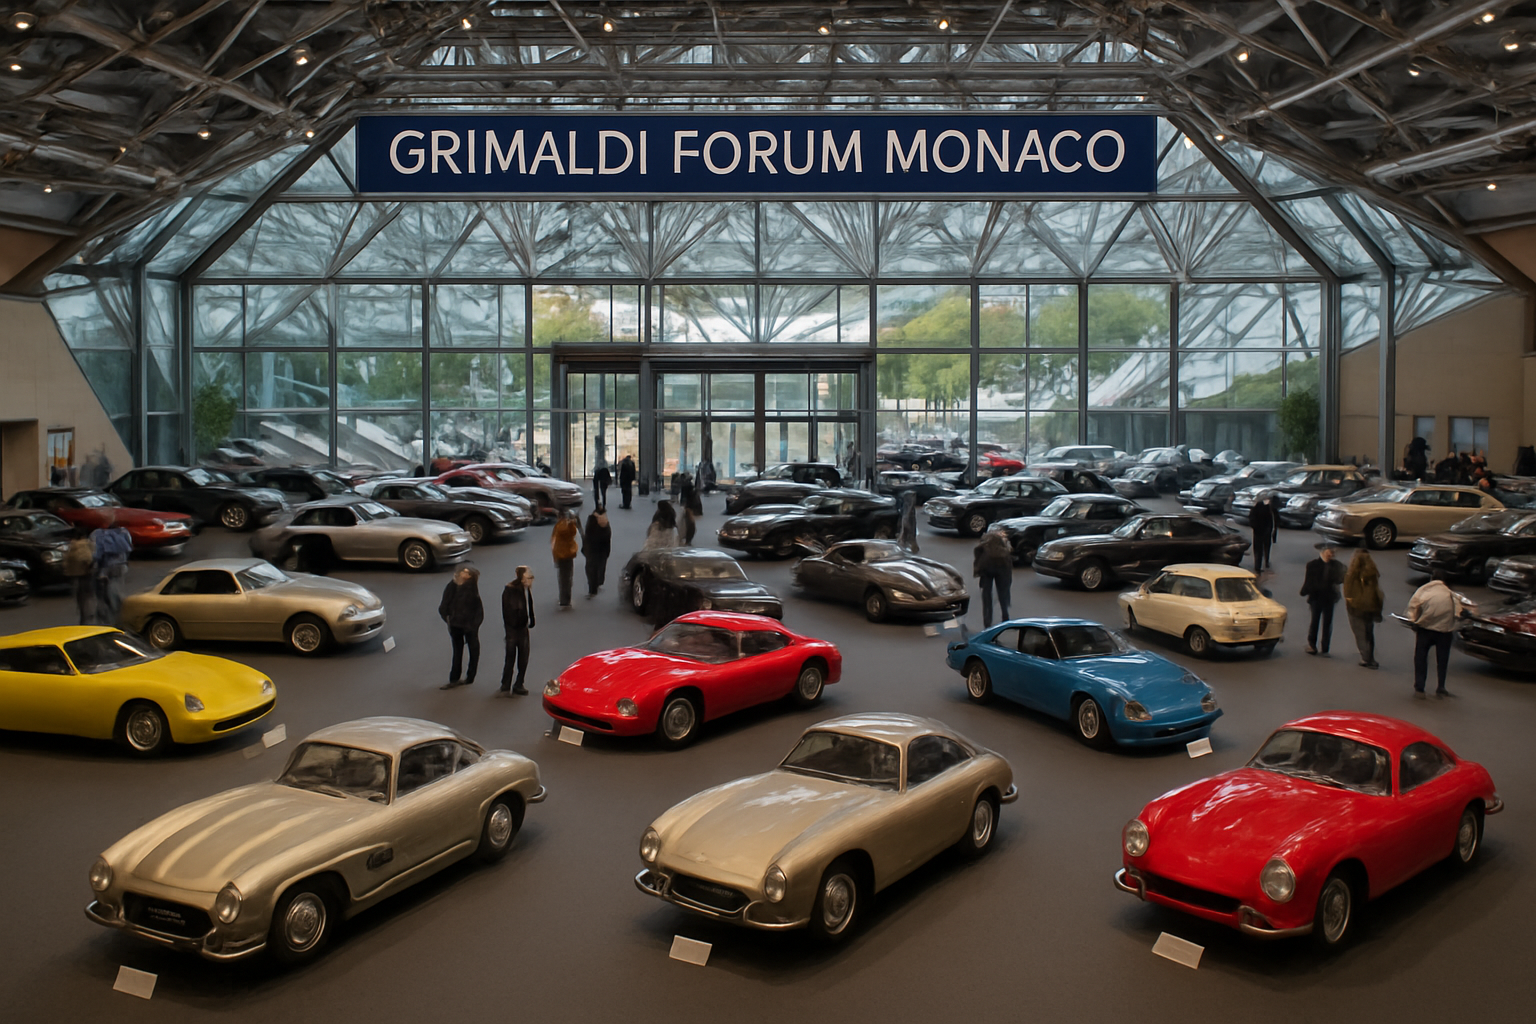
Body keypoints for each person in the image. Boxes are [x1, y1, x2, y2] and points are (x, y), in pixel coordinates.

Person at [1405, 572, 1473, 698]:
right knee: (1442, 660)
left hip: (1425, 630)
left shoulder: (1423, 591)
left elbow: (1413, 606)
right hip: (1444, 632)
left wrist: (1413, 621)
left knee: (1421, 658)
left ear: (1432, 579)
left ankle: (1420, 687)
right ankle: (1441, 686)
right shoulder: (1450, 594)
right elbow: (1459, 612)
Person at [438, 566, 484, 689]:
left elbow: (478, 610)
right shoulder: (452, 586)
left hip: (469, 627)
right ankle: (454, 678)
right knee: (457, 652)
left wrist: (474, 626)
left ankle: (470, 676)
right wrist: (449, 619)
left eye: (466, 572)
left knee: (473, 651)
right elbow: (444, 605)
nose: (462, 573)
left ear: (470, 577)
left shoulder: (472, 590)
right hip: (456, 625)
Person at [1299, 543, 1345, 656]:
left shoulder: (1336, 565)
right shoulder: (1312, 565)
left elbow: (1340, 579)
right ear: (1323, 552)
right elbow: (1308, 581)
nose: (1331, 554)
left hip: (1329, 598)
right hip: (1316, 597)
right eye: (1329, 552)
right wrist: (1304, 591)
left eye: (1332, 552)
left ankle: (1325, 646)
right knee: (1315, 621)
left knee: (1327, 623)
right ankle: (1312, 645)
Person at [1342, 548, 1383, 669]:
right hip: (1371, 606)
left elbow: (1347, 591)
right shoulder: (1372, 573)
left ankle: (1366, 658)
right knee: (1369, 632)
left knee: (1360, 632)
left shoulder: (1351, 574)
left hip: (1356, 607)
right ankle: (1371, 657)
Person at [498, 566, 536, 695]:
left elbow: (528, 605)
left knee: (522, 657)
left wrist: (531, 620)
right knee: (512, 657)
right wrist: (520, 622)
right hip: (515, 629)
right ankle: (507, 684)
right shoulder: (513, 590)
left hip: (520, 628)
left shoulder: (523, 589)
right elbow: (514, 610)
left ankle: (516, 683)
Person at [92, 522, 133, 625]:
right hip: (121, 566)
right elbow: (129, 549)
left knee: (103, 595)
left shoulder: (99, 535)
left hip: (105, 569)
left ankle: (107, 620)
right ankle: (119, 615)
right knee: (115, 589)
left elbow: (97, 554)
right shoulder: (123, 533)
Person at [973, 528, 1013, 629]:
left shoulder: (984, 541)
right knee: (1002, 593)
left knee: (986, 596)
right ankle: (1005, 616)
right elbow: (1009, 558)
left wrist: (978, 570)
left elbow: (977, 554)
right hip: (1002, 570)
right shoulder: (1003, 544)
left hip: (986, 570)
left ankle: (987, 622)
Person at [64, 529, 97, 625]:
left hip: (77, 574)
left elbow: (69, 561)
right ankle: (88, 615)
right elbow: (87, 558)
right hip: (85, 574)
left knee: (80, 596)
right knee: (87, 595)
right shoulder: (85, 545)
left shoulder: (74, 546)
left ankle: (84, 615)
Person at [551, 509, 580, 608]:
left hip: (561, 554)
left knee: (563, 578)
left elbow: (554, 541)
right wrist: (573, 521)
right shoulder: (568, 526)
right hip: (568, 554)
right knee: (567, 578)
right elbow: (573, 533)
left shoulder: (559, 526)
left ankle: (563, 599)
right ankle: (566, 599)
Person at [583, 507, 611, 597]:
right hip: (602, 550)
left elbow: (587, 534)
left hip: (592, 549)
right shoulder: (606, 524)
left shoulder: (592, 520)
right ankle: (598, 582)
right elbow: (608, 538)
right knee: (601, 566)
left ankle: (592, 589)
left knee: (591, 569)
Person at [1249, 489, 1278, 572]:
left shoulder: (1271, 509)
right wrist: (1257, 528)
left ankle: (1265, 562)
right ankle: (1258, 566)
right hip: (1260, 532)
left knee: (1265, 547)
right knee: (1259, 549)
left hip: (1265, 532)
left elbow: (1274, 520)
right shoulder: (1261, 507)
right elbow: (1253, 519)